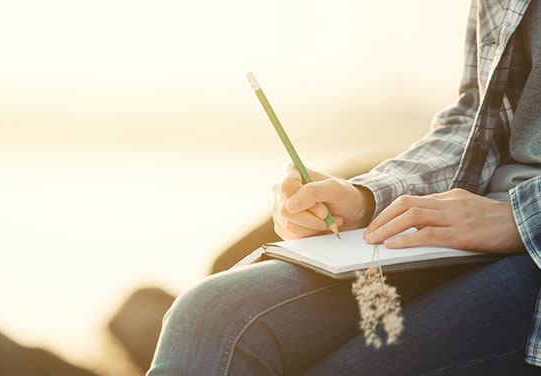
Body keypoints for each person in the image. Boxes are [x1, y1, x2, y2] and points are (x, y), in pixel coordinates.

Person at [146, 0, 541, 374]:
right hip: (477, 226)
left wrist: (520, 216)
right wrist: (366, 198)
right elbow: (480, 119)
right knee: (212, 312)